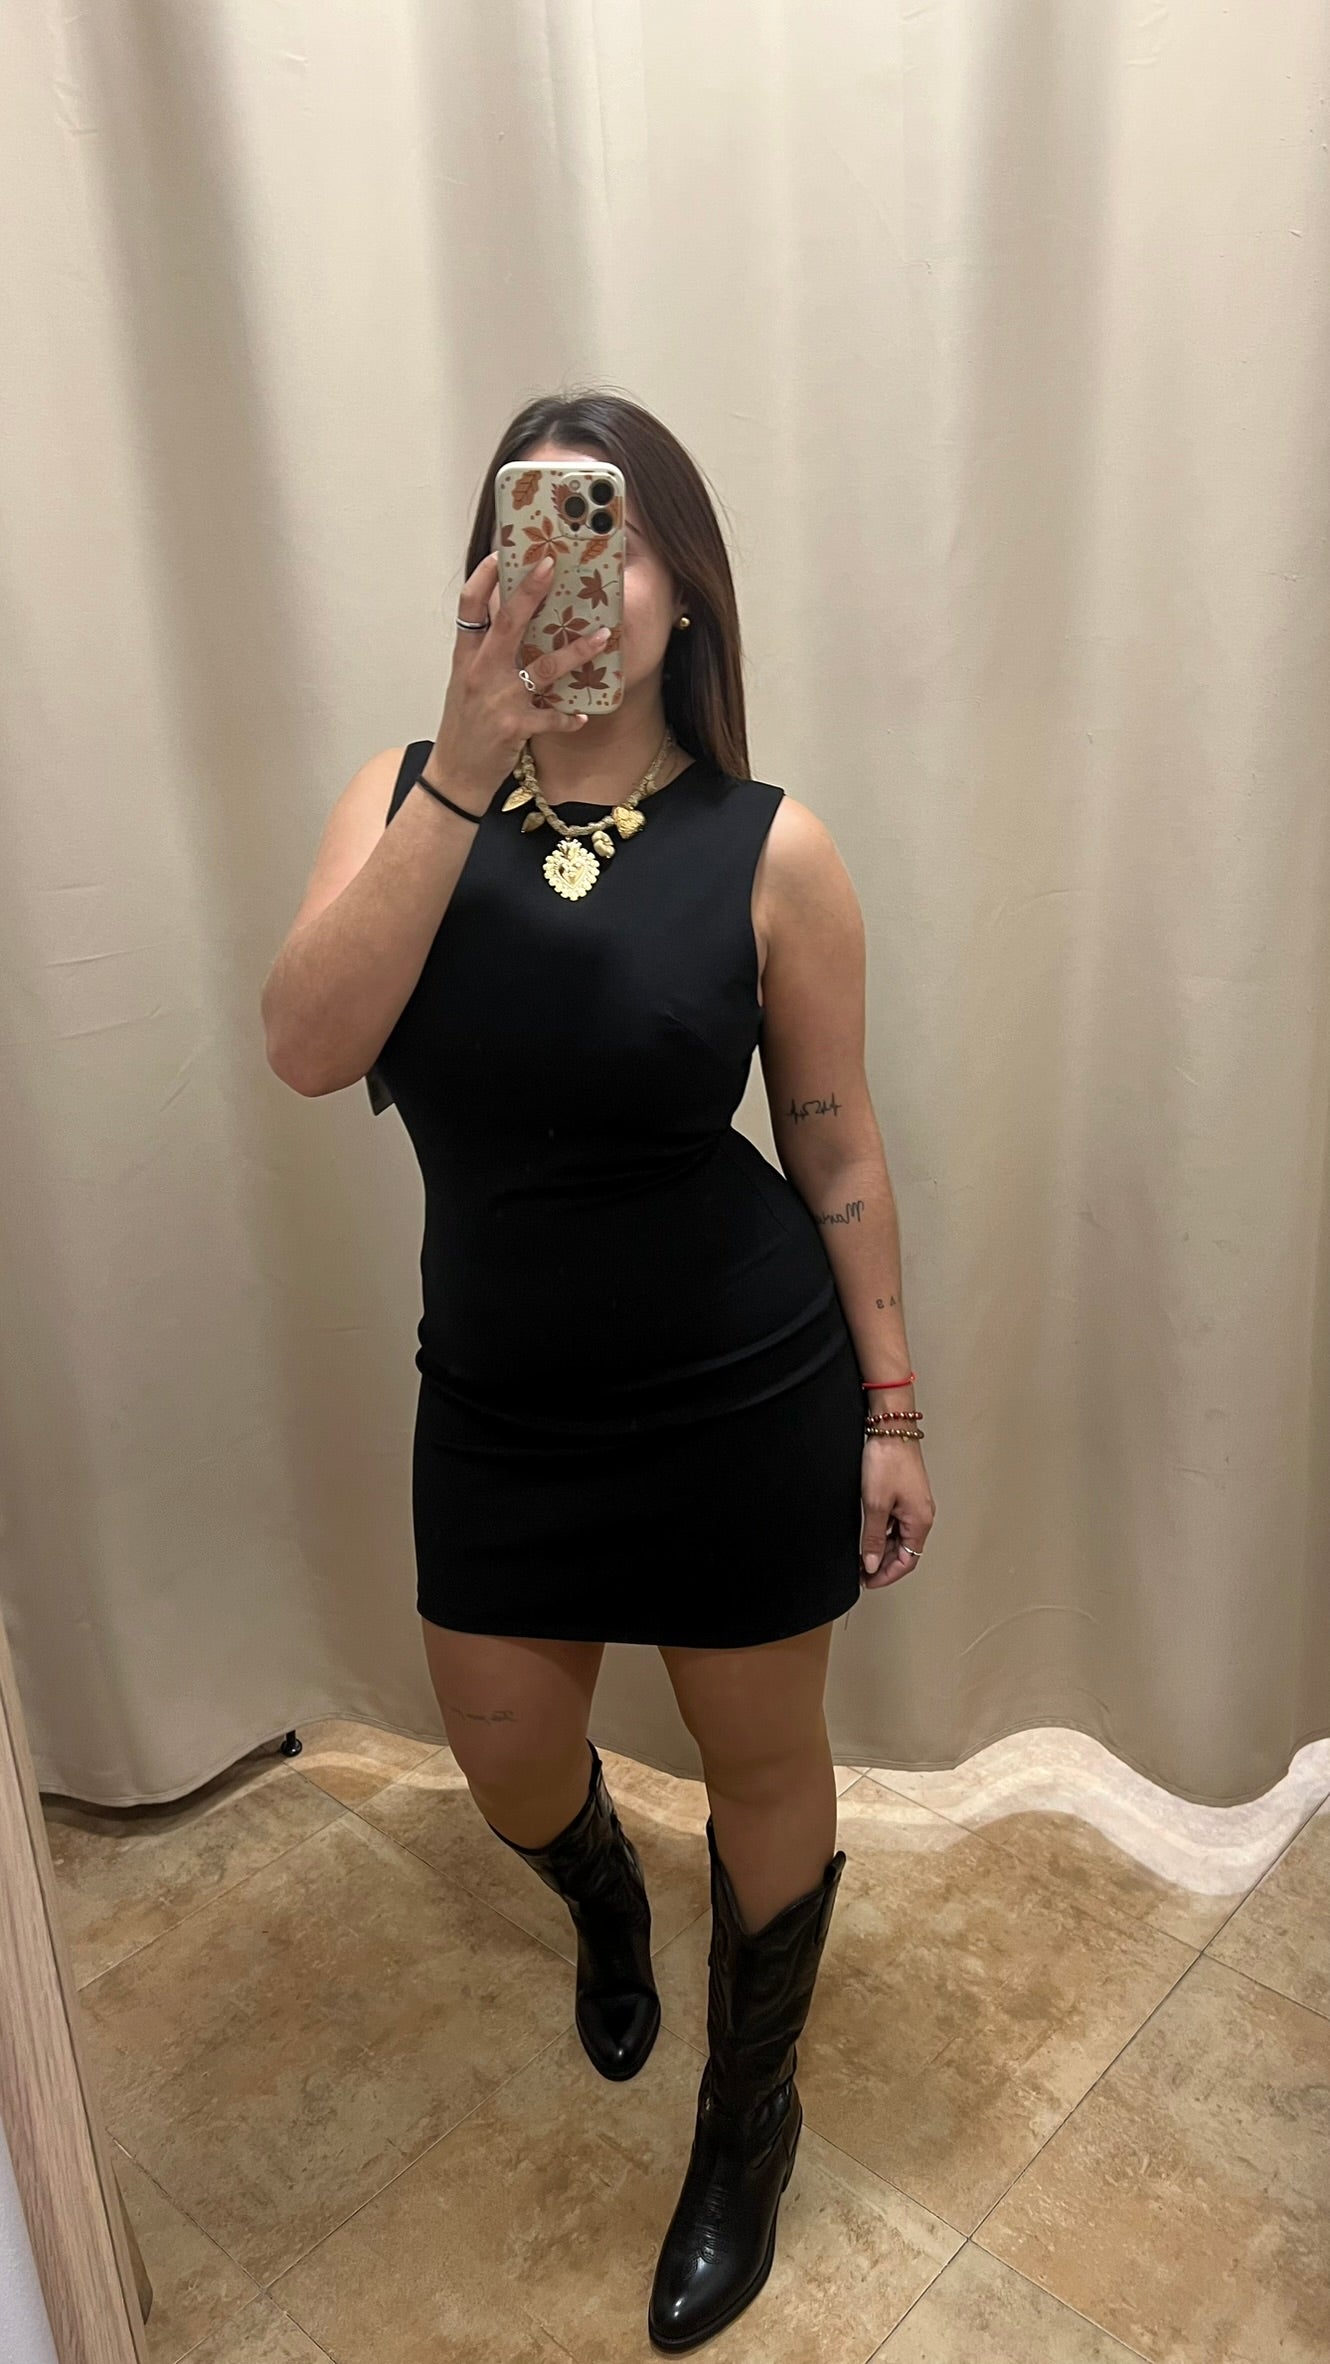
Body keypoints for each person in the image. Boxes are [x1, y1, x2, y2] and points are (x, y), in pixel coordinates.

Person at [261, 389, 935, 2353]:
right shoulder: (401, 795)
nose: (578, 573)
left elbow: (833, 1143)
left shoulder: (770, 847)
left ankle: (748, 2120)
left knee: (763, 1767)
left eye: (616, 535)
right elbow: (306, 1046)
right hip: (497, 1400)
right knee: (504, 1756)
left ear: (684, 590)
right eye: (538, 534)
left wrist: (892, 1410)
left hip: (742, 1391)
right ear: (486, 580)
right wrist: (466, 769)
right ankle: (600, 1899)